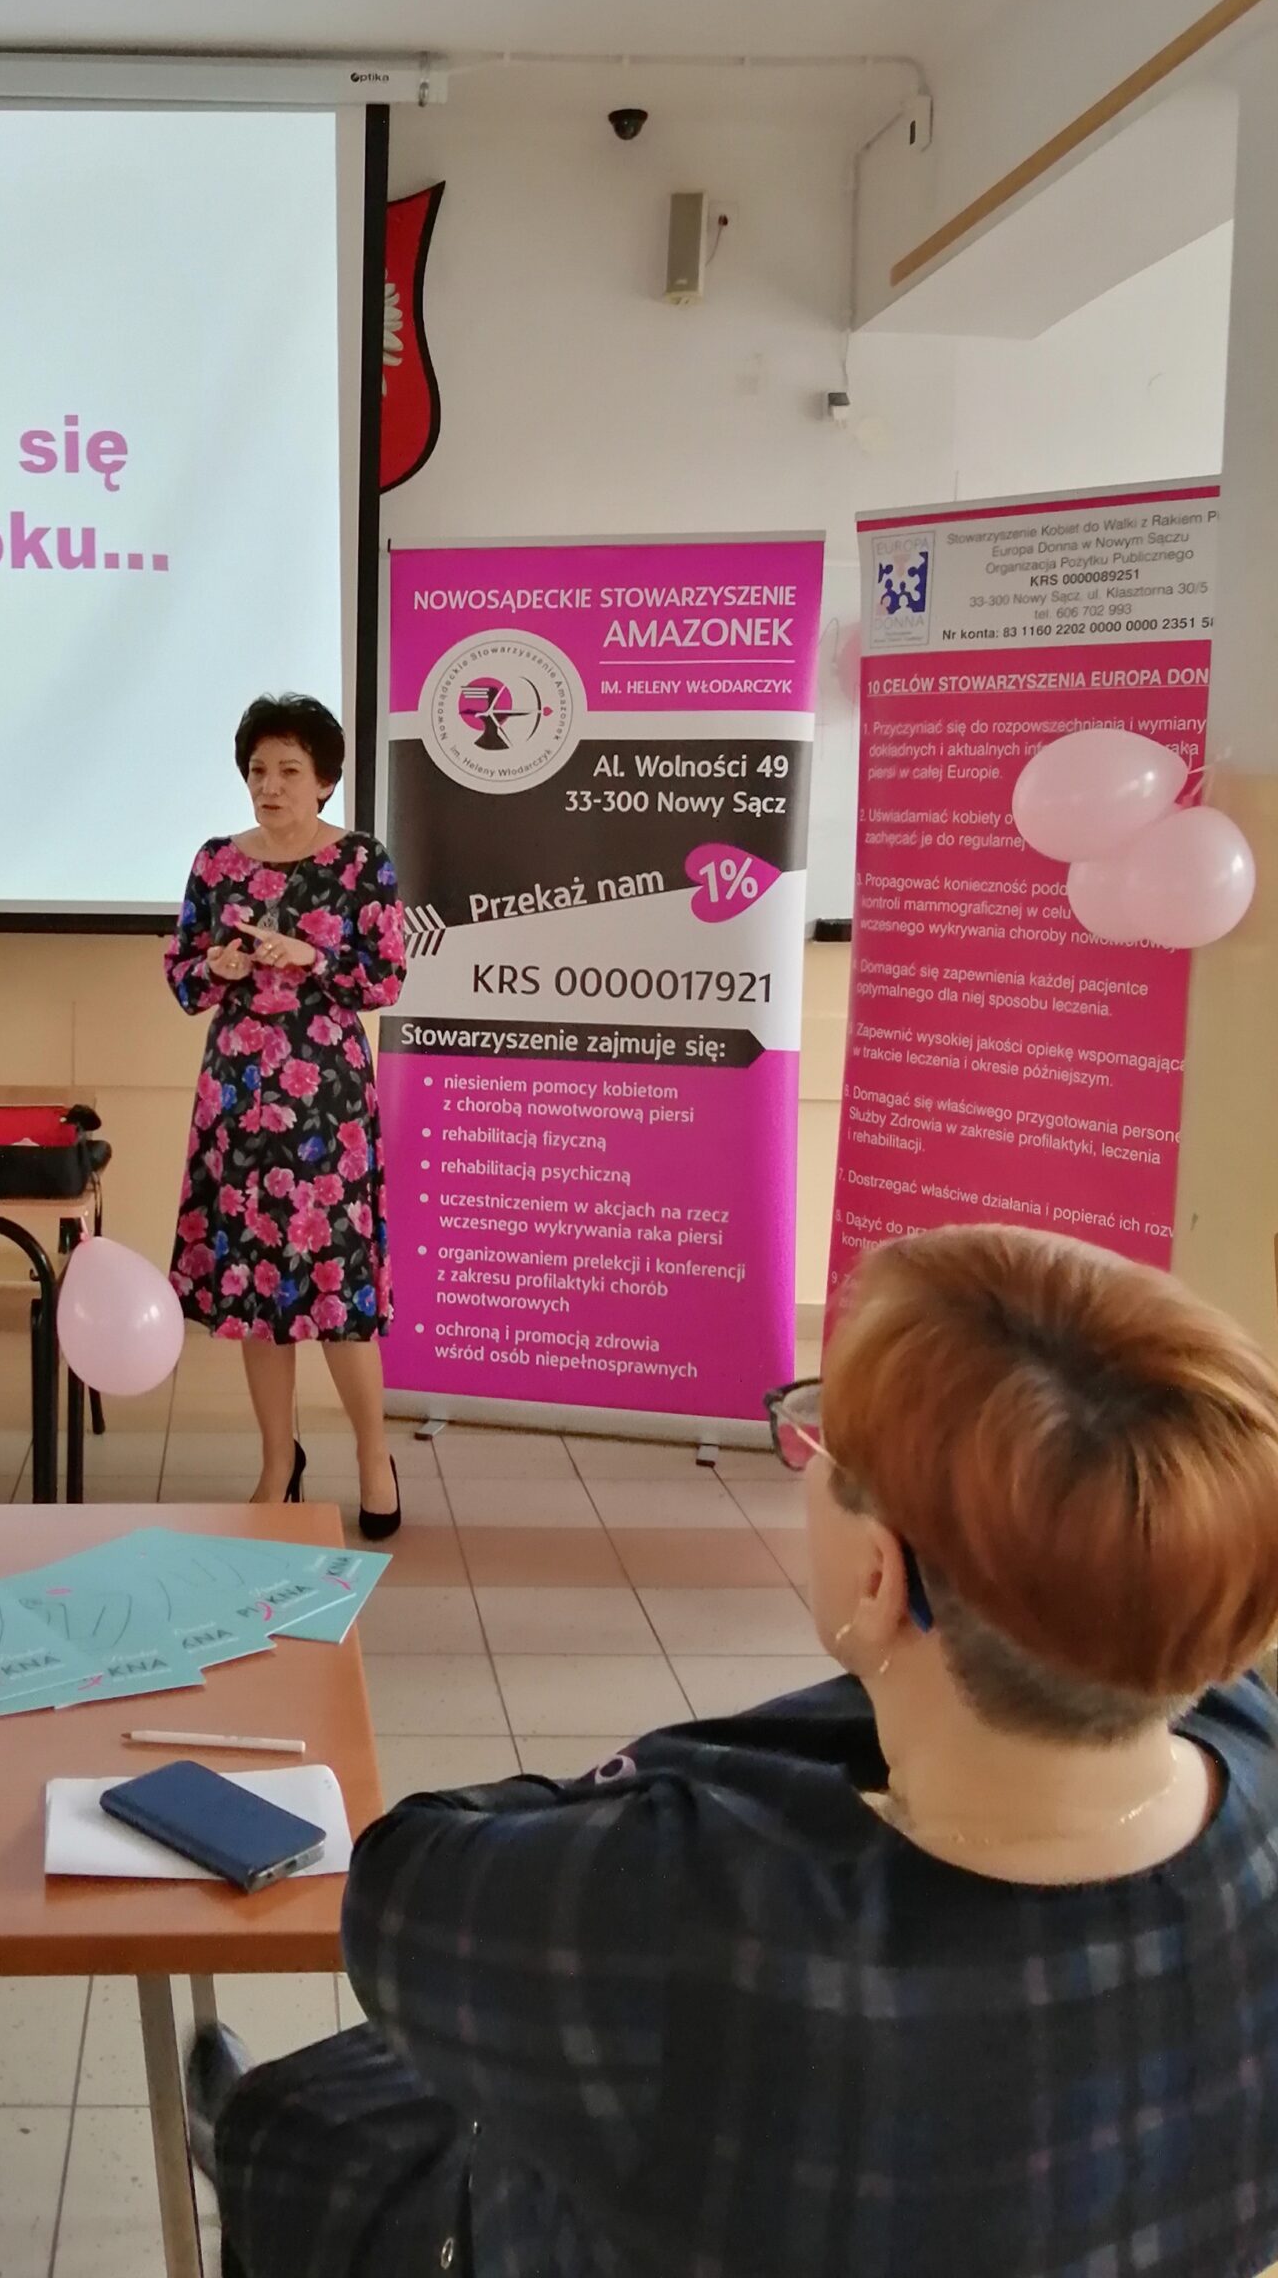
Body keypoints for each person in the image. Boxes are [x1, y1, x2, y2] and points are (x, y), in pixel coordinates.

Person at [194, 1224, 1278, 2277]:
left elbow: (399, 1883)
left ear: (878, 1577)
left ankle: (232, 2129)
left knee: (298, 2129)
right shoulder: (1251, 1748)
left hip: (527, 2205)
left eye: (819, 1438)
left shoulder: (694, 1900)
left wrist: (703, 1770)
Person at [164, 695, 407, 1537]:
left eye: (288, 771)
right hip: (237, 1096)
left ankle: (373, 1456)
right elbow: (183, 977)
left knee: (338, 1291)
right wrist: (219, 965)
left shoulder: (362, 862)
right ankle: (278, 1461)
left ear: (325, 780)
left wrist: (314, 955)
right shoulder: (216, 862)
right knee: (255, 1288)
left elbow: (385, 979)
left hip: (327, 1102)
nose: (269, 786)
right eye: (258, 770)